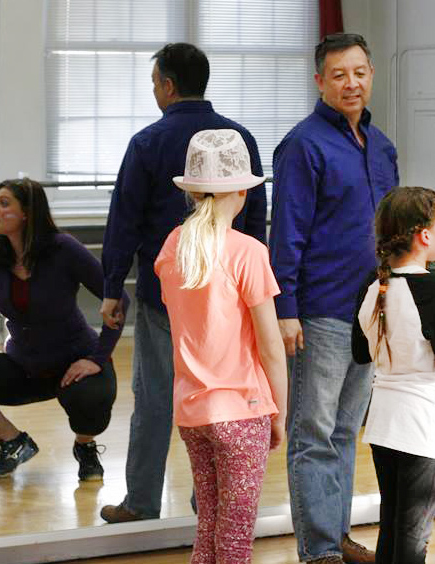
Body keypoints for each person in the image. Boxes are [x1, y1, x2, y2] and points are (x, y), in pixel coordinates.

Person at [99, 43, 267, 523]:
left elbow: (124, 220)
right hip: (229, 301)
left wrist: (114, 286)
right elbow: (255, 219)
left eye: (155, 83)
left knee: (154, 398)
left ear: (168, 85)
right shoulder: (241, 139)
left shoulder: (148, 143)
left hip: (164, 298)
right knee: (222, 401)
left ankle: (141, 502)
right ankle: (206, 504)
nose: (155, 92)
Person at [269, 32, 399, 564]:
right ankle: (319, 549)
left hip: (372, 310)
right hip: (319, 309)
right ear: (320, 81)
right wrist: (285, 310)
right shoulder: (303, 145)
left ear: (372, 75)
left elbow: (394, 228)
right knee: (313, 433)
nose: (353, 83)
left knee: (346, 430)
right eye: (340, 74)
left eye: (361, 72)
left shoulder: (383, 146)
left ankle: (339, 536)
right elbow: (288, 233)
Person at [0, 177, 128, 481]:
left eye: (4, 203)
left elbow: (117, 299)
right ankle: (14, 442)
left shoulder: (63, 248)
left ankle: (85, 447)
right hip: (24, 366)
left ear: (27, 213)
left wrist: (97, 358)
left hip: (75, 362)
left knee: (91, 399)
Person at [154, 129, 287, 564]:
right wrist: (279, 414)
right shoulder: (248, 252)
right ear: (243, 192)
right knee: (234, 539)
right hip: (242, 410)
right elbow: (271, 347)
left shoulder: (173, 247)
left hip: (192, 411)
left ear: (192, 190)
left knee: (209, 527)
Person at [351, 187, 435, 564]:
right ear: (424, 235)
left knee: (392, 530)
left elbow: (360, 353)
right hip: (423, 427)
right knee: (413, 539)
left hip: (383, 424)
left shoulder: (372, 286)